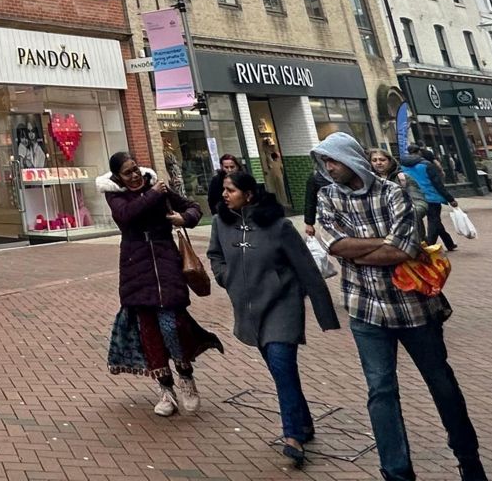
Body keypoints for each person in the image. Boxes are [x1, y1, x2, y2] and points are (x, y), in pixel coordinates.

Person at [314, 133, 487, 481]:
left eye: (333, 160)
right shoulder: (326, 196)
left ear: (352, 159)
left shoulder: (393, 191)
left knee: (441, 382)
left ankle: (469, 458)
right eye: (325, 162)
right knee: (380, 391)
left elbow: (404, 249)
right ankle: (396, 473)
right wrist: (382, 243)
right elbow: (334, 245)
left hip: (413, 307)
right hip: (364, 309)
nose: (329, 168)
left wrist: (358, 248)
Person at [210, 169, 339, 467]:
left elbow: (306, 267)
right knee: (280, 372)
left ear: (249, 194)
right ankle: (304, 422)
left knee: (282, 365)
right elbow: (215, 256)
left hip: (282, 305)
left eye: (230, 190)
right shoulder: (221, 223)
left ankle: (292, 436)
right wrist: (224, 276)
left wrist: (324, 312)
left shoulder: (278, 226)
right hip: (249, 310)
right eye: (224, 190)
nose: (224, 195)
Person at [99, 151, 223, 417]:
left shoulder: (159, 188)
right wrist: (153, 194)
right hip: (136, 268)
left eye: (135, 170)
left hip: (167, 263)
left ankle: (186, 375)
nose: (134, 176)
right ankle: (165, 388)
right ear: (117, 178)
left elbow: (193, 207)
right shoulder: (116, 195)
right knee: (149, 332)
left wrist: (184, 218)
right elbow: (126, 216)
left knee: (172, 325)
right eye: (127, 173)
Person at [398, 150, 458, 253]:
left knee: (435, 221)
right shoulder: (426, 165)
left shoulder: (401, 167)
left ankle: (449, 243)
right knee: (434, 221)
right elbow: (437, 183)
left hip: (414, 198)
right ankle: (429, 245)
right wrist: (450, 199)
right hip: (431, 197)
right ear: (419, 153)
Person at [370, 148, 427, 231]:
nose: (378, 163)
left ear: (390, 161)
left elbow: (420, 203)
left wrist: (407, 218)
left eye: (382, 160)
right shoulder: (369, 181)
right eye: (374, 160)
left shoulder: (402, 178)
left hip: (409, 230)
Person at [206, 154, 243, 218]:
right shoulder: (216, 181)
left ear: (237, 166)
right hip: (223, 214)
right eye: (226, 167)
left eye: (232, 167)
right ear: (222, 167)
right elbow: (212, 200)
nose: (229, 170)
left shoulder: (244, 179)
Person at [302, 166, 332, 237]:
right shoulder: (315, 177)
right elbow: (310, 201)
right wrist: (309, 224)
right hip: (328, 218)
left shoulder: (345, 175)